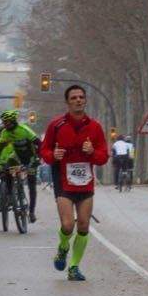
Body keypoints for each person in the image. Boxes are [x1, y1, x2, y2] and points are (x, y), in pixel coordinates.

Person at [40, 84, 108, 281]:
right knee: (68, 225)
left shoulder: (95, 127)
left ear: (85, 100)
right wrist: (53, 154)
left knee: (84, 226)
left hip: (85, 183)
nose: (78, 100)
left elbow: (103, 156)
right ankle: (62, 248)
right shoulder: (56, 125)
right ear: (67, 102)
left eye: (81, 97)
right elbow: (44, 151)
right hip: (63, 181)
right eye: (74, 98)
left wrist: (92, 152)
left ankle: (74, 267)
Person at [0, 109, 41, 221]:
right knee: (6, 167)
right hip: (17, 156)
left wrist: (38, 158)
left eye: (7, 122)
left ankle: (31, 212)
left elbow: (39, 144)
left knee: (31, 184)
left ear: (13, 121)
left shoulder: (24, 130)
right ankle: (11, 197)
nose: (5, 125)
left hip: (30, 157)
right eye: (4, 122)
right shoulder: (5, 133)